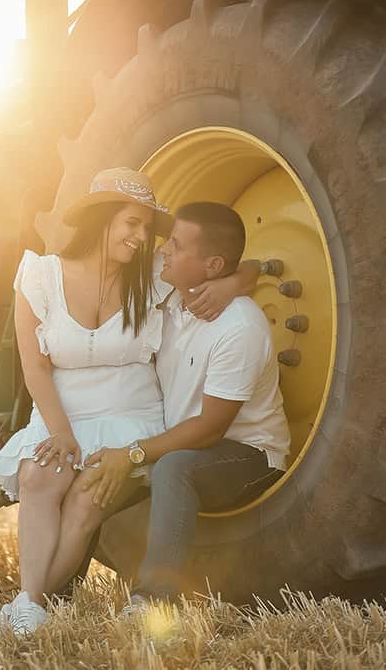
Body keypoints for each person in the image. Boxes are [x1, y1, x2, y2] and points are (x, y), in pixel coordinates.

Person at [0, 170, 259, 635]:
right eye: (132, 224)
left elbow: (243, 265)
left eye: (146, 229)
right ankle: (31, 604)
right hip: (62, 414)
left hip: (130, 415)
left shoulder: (152, 276)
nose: (141, 239)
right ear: (102, 219)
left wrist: (235, 284)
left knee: (86, 499)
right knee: (38, 476)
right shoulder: (40, 275)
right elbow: (34, 367)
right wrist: (61, 433)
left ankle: (27, 607)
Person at [81, 201, 290, 610]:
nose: (162, 250)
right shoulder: (169, 300)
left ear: (212, 265)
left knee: (174, 467)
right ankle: (47, 597)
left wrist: (135, 452)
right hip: (182, 443)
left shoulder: (240, 327)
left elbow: (211, 428)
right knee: (90, 469)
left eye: (175, 245)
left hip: (247, 453)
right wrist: (241, 275)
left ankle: (152, 600)